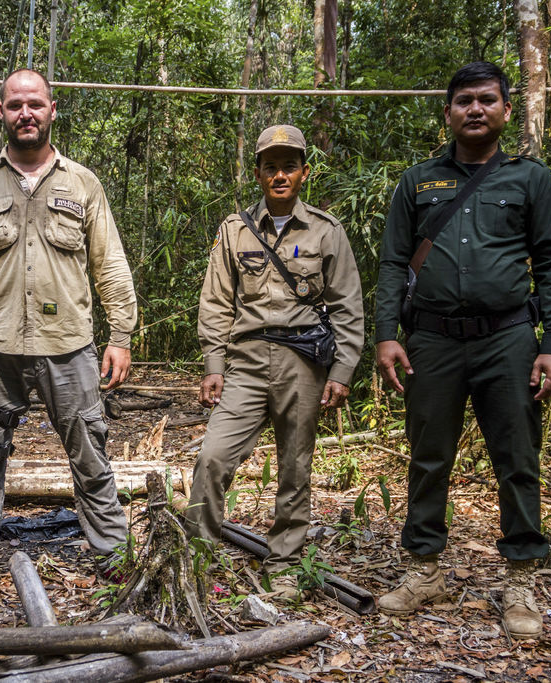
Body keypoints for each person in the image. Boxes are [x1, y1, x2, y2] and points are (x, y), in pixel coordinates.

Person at [373, 62, 551, 639]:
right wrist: (387, 333)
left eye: (487, 99)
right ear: (449, 112)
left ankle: (519, 579)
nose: (476, 109)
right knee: (428, 455)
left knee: (516, 455)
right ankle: (425, 568)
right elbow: (392, 263)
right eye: (464, 101)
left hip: (508, 337)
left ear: (506, 110)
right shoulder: (417, 182)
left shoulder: (528, 179)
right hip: (432, 339)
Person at [0, 69, 138, 602]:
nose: (26, 113)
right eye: (15, 104)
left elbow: (108, 263)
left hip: (69, 346)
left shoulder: (82, 183)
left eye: (35, 104)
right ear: (0, 111)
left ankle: (113, 556)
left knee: (91, 455)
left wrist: (122, 334)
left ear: (51, 110)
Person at [184, 124, 364, 599]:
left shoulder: (327, 231)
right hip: (245, 362)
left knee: (295, 467)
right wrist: (213, 365)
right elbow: (217, 302)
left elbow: (348, 305)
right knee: (212, 457)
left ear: (304, 172)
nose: (280, 174)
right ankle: (198, 560)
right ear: (259, 174)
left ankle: (283, 564)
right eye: (271, 167)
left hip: (303, 363)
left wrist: (342, 371)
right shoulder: (235, 230)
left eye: (289, 166)